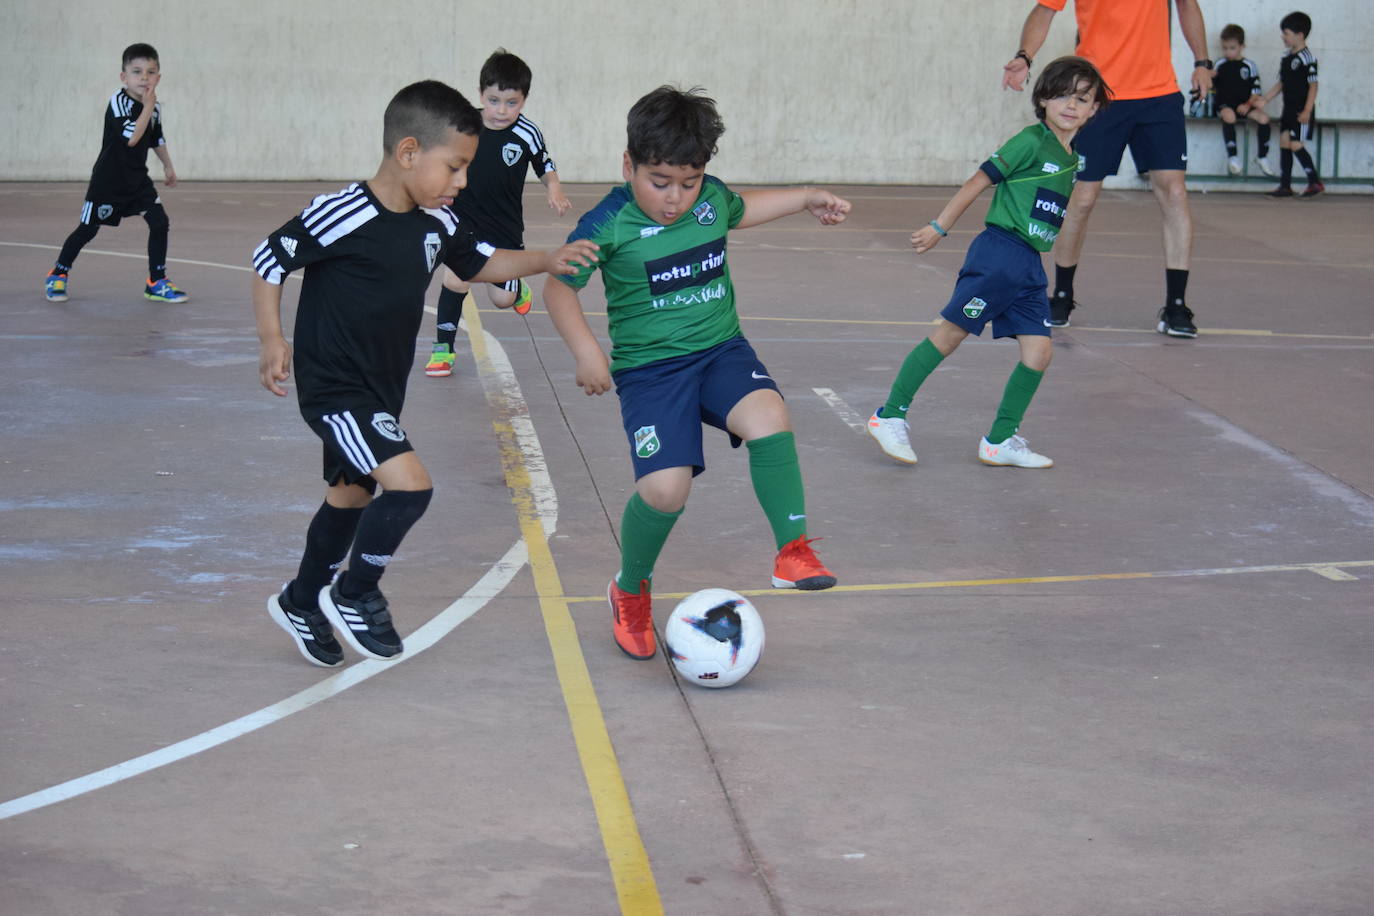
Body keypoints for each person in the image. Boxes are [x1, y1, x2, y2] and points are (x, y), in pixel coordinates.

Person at [253, 80, 597, 665]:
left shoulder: (437, 223)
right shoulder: (343, 212)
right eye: (455, 167)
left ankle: (301, 600)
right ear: (409, 153)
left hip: (382, 388)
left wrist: (545, 259)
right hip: (336, 388)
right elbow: (270, 259)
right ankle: (355, 593)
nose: (462, 182)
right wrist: (271, 337)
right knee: (410, 486)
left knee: (351, 495)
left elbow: (482, 261)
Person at [542, 86, 849, 661]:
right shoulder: (606, 224)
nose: (676, 198)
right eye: (660, 182)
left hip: (720, 351)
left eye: (689, 182)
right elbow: (559, 287)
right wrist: (587, 352)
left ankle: (793, 551)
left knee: (770, 417)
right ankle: (629, 589)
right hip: (652, 373)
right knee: (665, 489)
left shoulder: (710, 200)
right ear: (628, 164)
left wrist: (807, 195)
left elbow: (744, 208)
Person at [868, 57, 1110, 471]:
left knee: (1039, 352)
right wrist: (939, 226)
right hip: (999, 254)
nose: (1071, 104)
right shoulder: (1029, 141)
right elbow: (978, 181)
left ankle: (999, 441)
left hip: (1030, 266)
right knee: (949, 336)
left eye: (1082, 98)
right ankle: (889, 415)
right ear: (1043, 99)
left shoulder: (1071, 159)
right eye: (1062, 95)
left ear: (1094, 110)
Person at [1002, 0, 1212, 339]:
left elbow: (1188, 6)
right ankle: (1062, 296)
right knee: (1082, 198)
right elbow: (1043, 11)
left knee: (1174, 192)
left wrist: (1202, 62)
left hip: (1159, 94)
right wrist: (1025, 56)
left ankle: (1176, 306)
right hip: (1098, 94)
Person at [424, 49, 570, 379]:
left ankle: (517, 290)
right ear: (480, 95)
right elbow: (445, 162)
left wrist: (554, 187)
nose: (501, 111)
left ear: (524, 100)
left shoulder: (527, 133)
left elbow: (544, 163)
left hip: (503, 229)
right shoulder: (465, 128)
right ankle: (443, 348)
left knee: (502, 299)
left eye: (511, 103)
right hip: (463, 222)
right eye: (493, 101)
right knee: (456, 278)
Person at [45, 43, 189, 304]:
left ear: (159, 77)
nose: (144, 78)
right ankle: (58, 273)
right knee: (88, 230)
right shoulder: (119, 103)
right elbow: (133, 138)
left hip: (137, 180)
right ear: (124, 77)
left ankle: (156, 281)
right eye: (137, 72)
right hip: (108, 182)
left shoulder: (153, 108)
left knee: (159, 222)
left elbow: (155, 137)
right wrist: (149, 105)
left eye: (150, 72)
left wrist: (168, 165)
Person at [1257, 11, 1322, 198]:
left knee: (1295, 144)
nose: (1283, 37)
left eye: (1286, 33)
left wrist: (1308, 110)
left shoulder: (1307, 58)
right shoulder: (1287, 57)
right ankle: (1285, 186)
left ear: (1299, 35)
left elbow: (1313, 85)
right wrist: (1265, 99)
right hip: (1289, 108)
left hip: (1302, 110)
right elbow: (1281, 83)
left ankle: (1314, 182)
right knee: (1284, 142)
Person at [1212, 24, 1274, 177]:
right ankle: (1233, 157)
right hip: (1225, 104)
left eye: (1232, 48)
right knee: (1229, 116)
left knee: (1264, 118)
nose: (1227, 52)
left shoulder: (1249, 66)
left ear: (1242, 47)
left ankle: (1262, 156)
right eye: (1224, 48)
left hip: (1244, 105)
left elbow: (1256, 92)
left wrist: (1247, 105)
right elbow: (1211, 83)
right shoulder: (1220, 64)